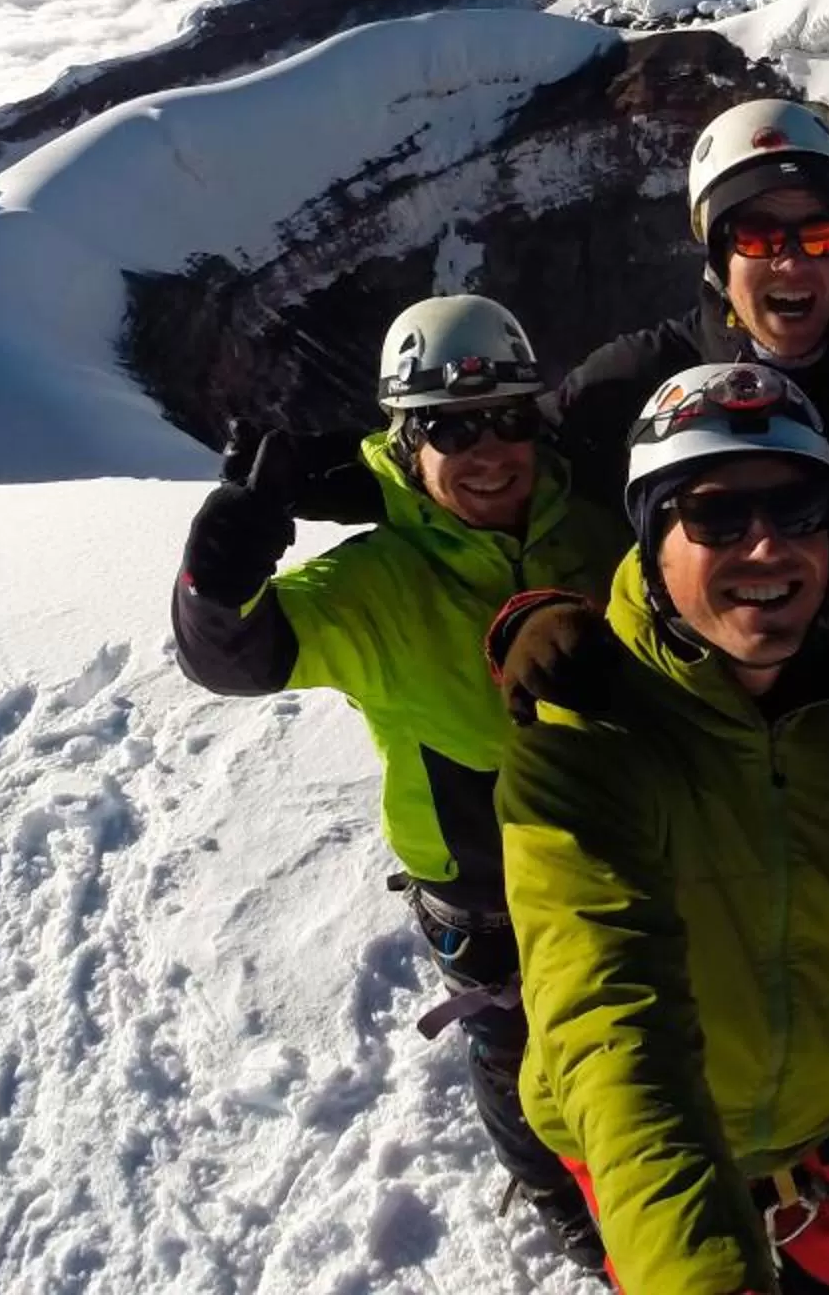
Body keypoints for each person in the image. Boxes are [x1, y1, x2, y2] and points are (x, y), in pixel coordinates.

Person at [167, 293, 623, 1274]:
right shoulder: (371, 582)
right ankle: (548, 1184)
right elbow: (237, 658)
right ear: (406, 441)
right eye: (452, 428)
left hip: (614, 840)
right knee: (512, 1042)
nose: (489, 449)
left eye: (508, 418)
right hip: (480, 877)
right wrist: (217, 577)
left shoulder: (593, 527)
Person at [494, 363, 829, 1294]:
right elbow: (607, 1013)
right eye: (715, 516)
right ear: (650, 538)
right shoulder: (582, 727)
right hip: (655, 1143)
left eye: (797, 510)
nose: (767, 549)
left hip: (828, 1111)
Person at [549, 98, 829, 511]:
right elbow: (511, 455)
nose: (792, 264)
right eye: (757, 238)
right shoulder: (627, 385)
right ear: (718, 258)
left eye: (821, 235)